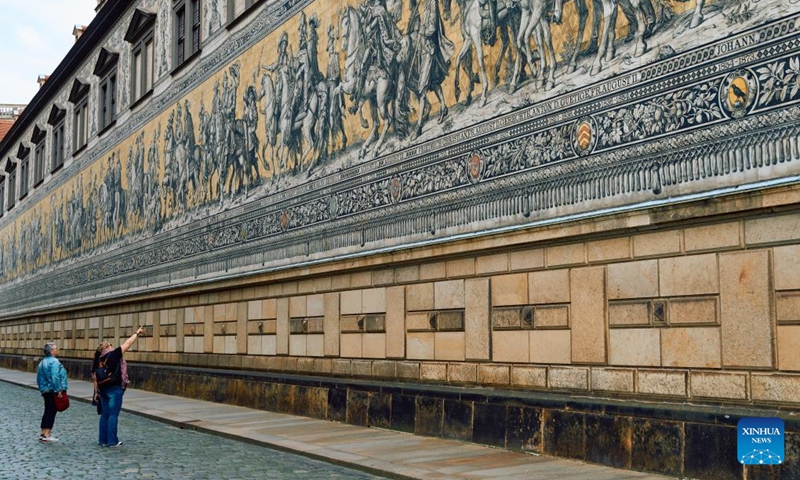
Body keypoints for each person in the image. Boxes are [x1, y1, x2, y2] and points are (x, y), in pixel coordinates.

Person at [91, 327, 144, 447]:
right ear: (107, 347)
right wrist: (137, 333)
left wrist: (96, 392)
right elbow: (128, 343)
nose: (112, 347)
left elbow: (94, 377)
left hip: (102, 390)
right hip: (114, 389)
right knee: (113, 415)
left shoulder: (97, 360)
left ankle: (103, 440)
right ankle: (112, 441)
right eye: (111, 345)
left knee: (105, 414)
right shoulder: (113, 355)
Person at [36, 342, 68, 443]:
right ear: (51, 351)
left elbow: (39, 378)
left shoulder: (42, 362)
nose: (58, 350)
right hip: (52, 390)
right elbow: (55, 377)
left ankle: (43, 433)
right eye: (56, 348)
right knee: (51, 412)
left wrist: (42, 389)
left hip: (45, 390)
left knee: (47, 411)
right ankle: (47, 434)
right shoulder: (54, 362)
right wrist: (59, 390)